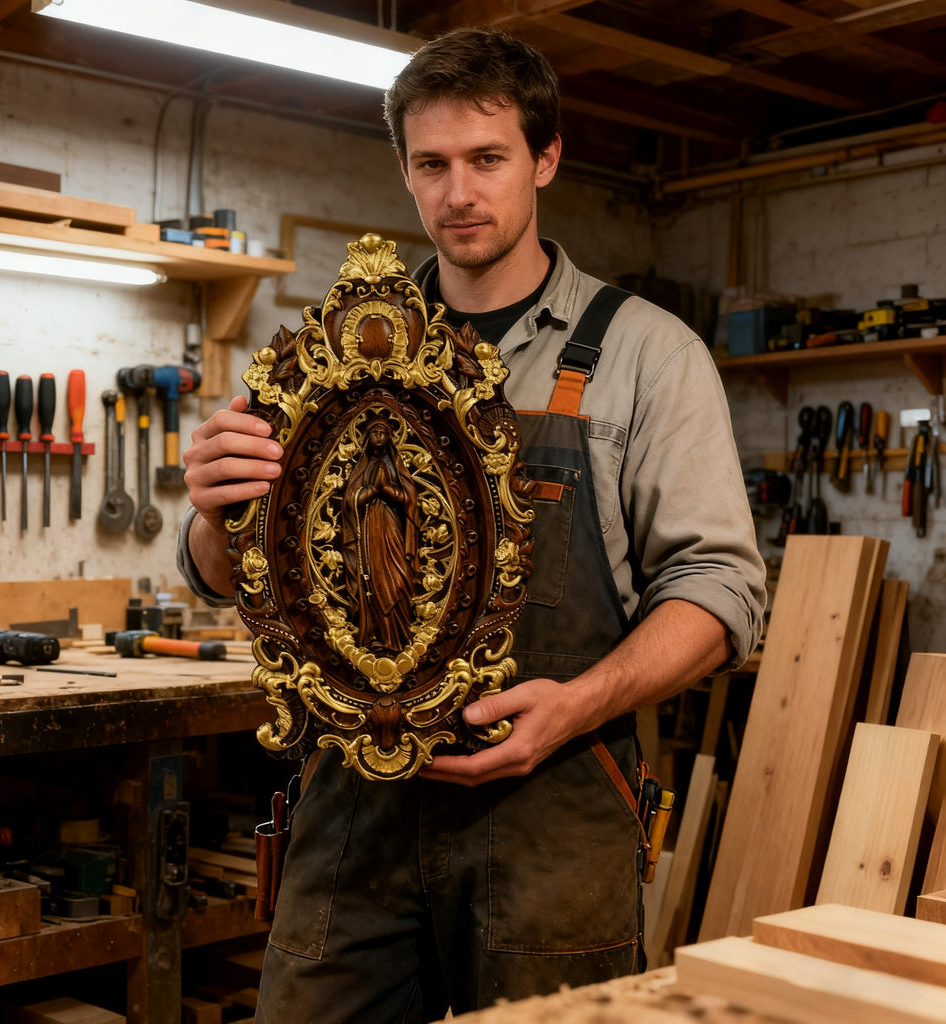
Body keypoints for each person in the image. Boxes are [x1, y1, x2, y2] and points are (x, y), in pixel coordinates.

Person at [177, 26, 766, 1024]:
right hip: (355, 812)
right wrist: (212, 513)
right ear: (405, 170)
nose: (458, 192)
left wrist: (576, 705)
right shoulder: (331, 357)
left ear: (545, 158)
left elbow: (723, 593)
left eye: (487, 158)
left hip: (552, 810)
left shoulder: (645, 356)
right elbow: (224, 572)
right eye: (431, 164)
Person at [341, 417, 419, 652]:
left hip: (391, 524)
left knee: (398, 579)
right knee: (372, 583)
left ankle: (400, 637)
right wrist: (372, 489)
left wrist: (386, 489)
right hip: (368, 530)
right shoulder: (361, 468)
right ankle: (376, 637)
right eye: (374, 432)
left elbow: (409, 501)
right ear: (367, 437)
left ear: (390, 437)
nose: (378, 436)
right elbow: (350, 501)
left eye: (383, 432)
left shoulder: (396, 466)